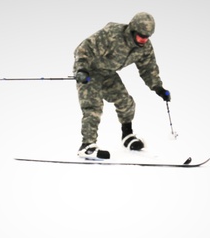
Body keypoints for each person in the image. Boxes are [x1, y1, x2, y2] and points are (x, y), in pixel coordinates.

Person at [72, 12, 171, 160]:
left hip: (107, 72)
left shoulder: (144, 47)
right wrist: (81, 70)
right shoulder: (112, 34)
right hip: (89, 71)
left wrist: (158, 87)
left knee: (125, 101)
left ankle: (127, 136)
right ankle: (87, 145)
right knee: (93, 105)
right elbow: (83, 49)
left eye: (147, 37)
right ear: (132, 30)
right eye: (141, 35)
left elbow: (148, 68)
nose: (143, 40)